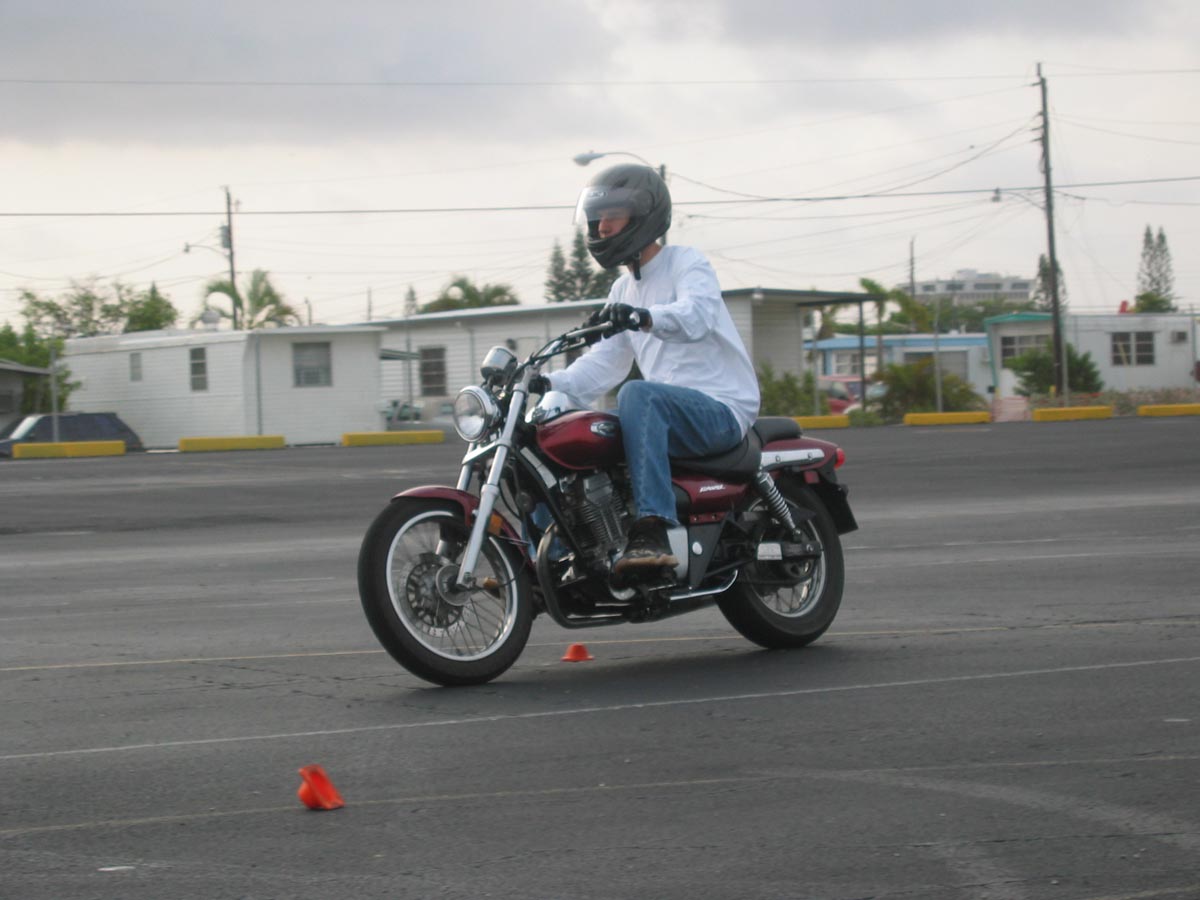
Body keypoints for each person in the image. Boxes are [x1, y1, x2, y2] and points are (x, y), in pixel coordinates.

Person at [546, 164, 760, 579]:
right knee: (562, 429)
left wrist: (643, 317)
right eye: (597, 218)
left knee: (638, 394)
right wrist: (546, 384)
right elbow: (604, 364)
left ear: (644, 215)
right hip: (666, 413)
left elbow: (696, 316)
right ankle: (555, 554)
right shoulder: (622, 289)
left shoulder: (686, 263)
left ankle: (654, 530)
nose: (602, 227)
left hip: (722, 408)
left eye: (613, 215)